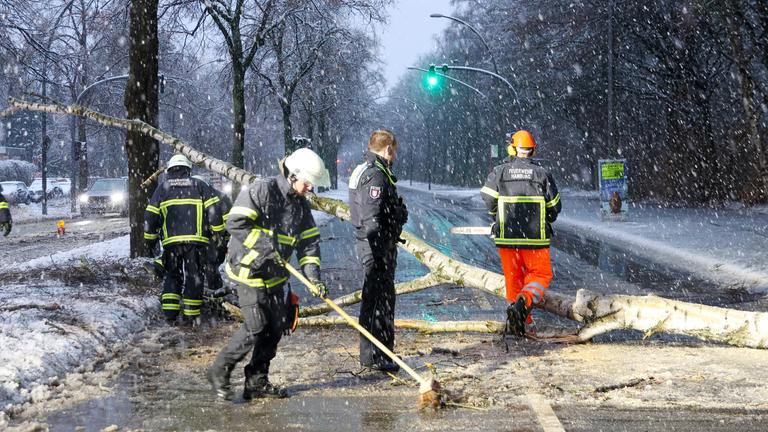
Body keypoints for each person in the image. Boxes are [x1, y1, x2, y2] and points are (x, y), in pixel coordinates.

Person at [207, 147, 330, 401]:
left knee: (275, 327)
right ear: (294, 175)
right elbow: (236, 222)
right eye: (308, 182)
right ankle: (219, 371)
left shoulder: (301, 207)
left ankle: (257, 382)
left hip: (276, 276)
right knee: (256, 326)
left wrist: (313, 277)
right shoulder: (262, 190)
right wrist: (265, 245)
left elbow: (309, 244)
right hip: (248, 272)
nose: (310, 188)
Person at [481, 130, 561, 337]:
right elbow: (555, 206)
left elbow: (488, 199)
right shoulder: (542, 174)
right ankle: (524, 302)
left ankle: (518, 321)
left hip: (507, 238)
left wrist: (495, 215)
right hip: (536, 238)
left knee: (513, 278)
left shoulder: (499, 172)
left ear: (512, 148)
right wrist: (547, 219)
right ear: (533, 150)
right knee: (540, 274)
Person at [348, 129, 408, 372]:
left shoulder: (368, 169)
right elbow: (372, 216)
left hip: (375, 244)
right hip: (376, 246)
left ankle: (374, 354)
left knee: (376, 299)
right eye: (394, 149)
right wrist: (379, 250)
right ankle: (378, 355)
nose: (395, 154)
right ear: (388, 149)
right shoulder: (376, 175)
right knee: (379, 301)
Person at [144, 154, 225, 325]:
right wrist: (218, 234)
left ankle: (170, 314)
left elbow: (150, 217)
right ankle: (191, 315)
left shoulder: (162, 189)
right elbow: (214, 211)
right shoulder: (199, 185)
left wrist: (150, 241)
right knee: (194, 276)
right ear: (188, 169)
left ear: (169, 170)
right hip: (196, 243)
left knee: (172, 275)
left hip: (171, 244)